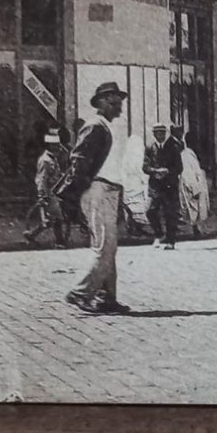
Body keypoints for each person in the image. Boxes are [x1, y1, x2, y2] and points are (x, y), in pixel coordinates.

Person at [64, 81, 130, 314]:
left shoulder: (104, 126)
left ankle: (107, 297)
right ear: (101, 102)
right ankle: (81, 292)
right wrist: (85, 190)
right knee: (105, 247)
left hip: (109, 190)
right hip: (98, 190)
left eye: (120, 104)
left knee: (109, 247)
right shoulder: (95, 126)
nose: (119, 109)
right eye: (114, 104)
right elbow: (79, 162)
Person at [143, 124, 184, 249]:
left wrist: (167, 171)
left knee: (170, 213)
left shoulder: (173, 147)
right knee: (150, 211)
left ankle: (171, 241)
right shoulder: (150, 147)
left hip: (169, 186)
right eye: (157, 133)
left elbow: (179, 167)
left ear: (165, 133)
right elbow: (145, 166)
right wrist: (155, 171)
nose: (160, 135)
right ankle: (159, 234)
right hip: (155, 186)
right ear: (154, 134)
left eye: (162, 133)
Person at [25, 129, 69, 248]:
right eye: (55, 145)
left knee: (49, 220)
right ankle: (60, 241)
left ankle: (32, 234)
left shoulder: (52, 158)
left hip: (54, 190)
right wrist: (42, 195)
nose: (57, 147)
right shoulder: (45, 160)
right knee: (57, 217)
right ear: (50, 146)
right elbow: (41, 178)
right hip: (48, 192)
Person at [178, 131, 209, 238]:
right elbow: (188, 173)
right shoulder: (186, 155)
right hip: (192, 185)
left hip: (197, 184)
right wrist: (194, 188)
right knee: (194, 209)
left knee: (198, 209)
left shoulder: (192, 154)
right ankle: (195, 230)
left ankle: (198, 229)